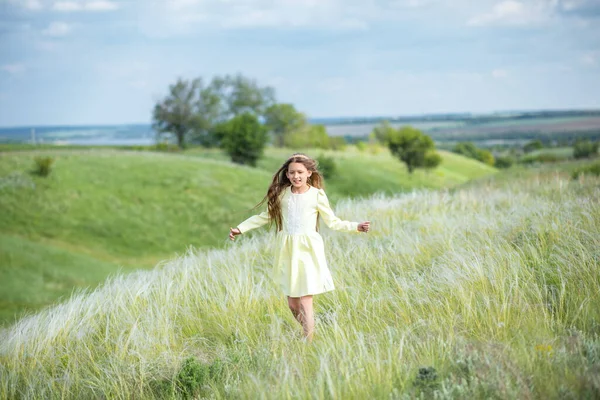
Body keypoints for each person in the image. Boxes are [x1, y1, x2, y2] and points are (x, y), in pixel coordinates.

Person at [229, 153, 370, 341]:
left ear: (309, 173)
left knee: (305, 300)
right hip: (287, 251)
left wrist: (355, 227)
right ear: (286, 175)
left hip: (309, 251)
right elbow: (265, 216)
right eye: (292, 172)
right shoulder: (282, 195)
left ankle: (308, 341)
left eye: (300, 172)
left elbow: (333, 222)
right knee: (293, 304)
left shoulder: (317, 195)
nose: (296, 176)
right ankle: (308, 329)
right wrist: (241, 228)